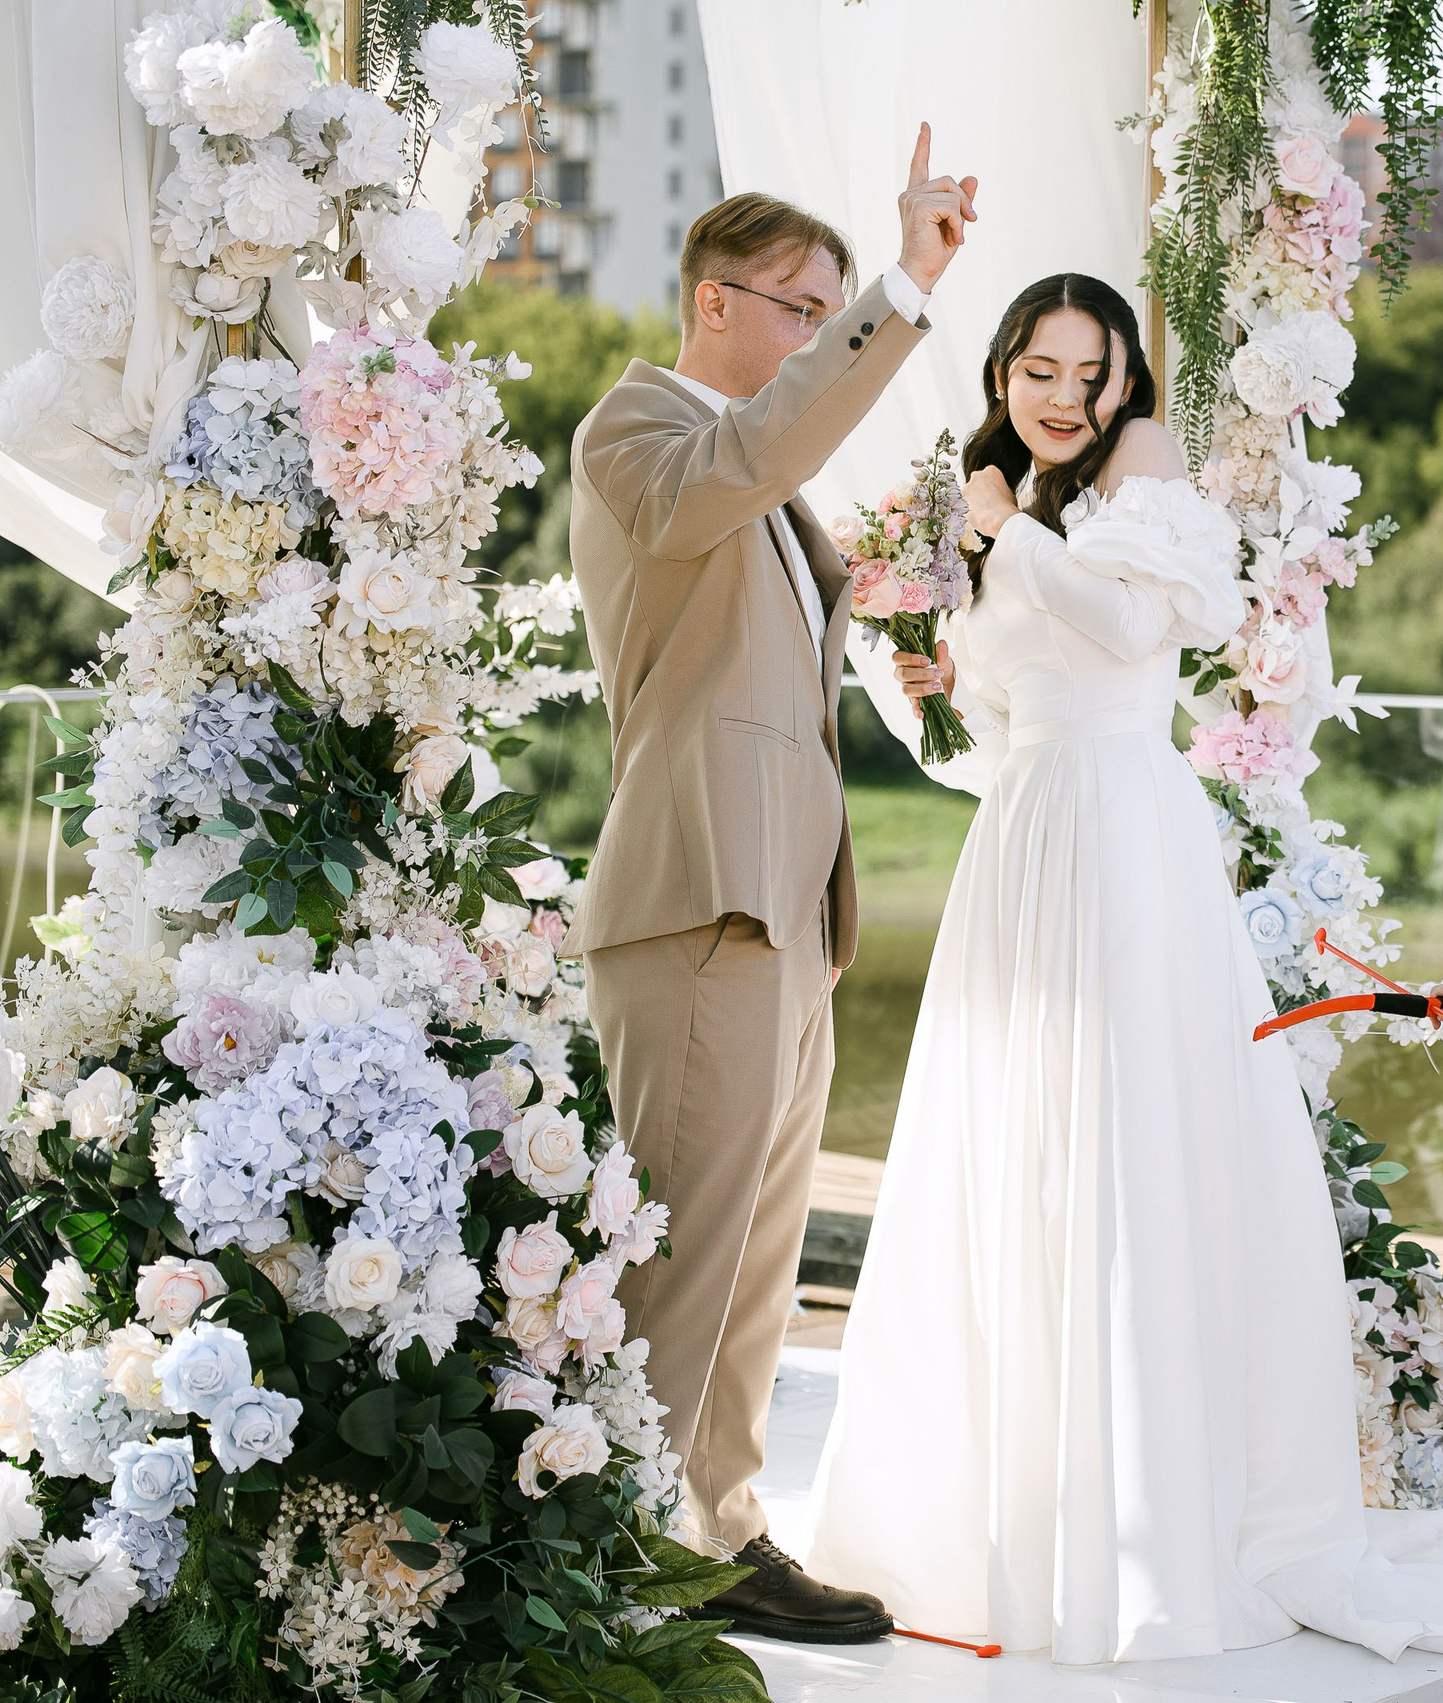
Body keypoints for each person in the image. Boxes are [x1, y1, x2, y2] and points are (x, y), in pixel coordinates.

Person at [813, 274, 1443, 1696]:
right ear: (1004, 370)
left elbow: (1141, 637)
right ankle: (1011, 1517)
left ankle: (1145, 1528)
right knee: (1012, 1151)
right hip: (1023, 844)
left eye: (1093, 369)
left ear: (1128, 381)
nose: (1064, 394)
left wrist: (1004, 535)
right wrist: (923, 677)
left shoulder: (1128, 478)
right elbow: (992, 736)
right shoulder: (990, 502)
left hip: (1131, 847)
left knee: (1133, 1150)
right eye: (1039, 367)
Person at [559, 131, 977, 1642]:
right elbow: (755, 455)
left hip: (785, 917)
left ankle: (719, 1531)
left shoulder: (767, 492)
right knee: (675, 1254)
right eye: (799, 306)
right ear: (714, 300)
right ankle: (607, 1566)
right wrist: (903, 287)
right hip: (694, 902)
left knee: (755, 1265)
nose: (816, 331)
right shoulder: (642, 436)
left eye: (827, 310)